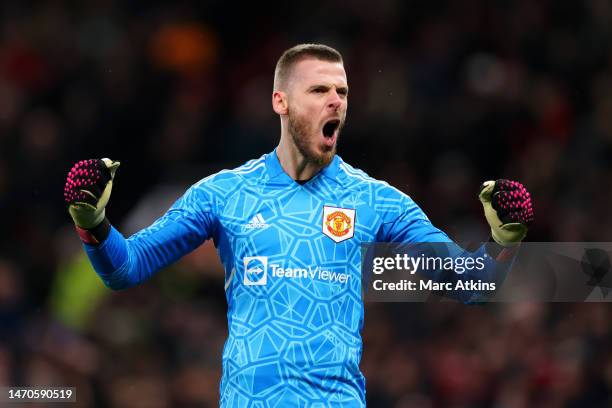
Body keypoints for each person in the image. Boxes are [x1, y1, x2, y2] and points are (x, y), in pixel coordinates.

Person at [64, 44, 533, 407]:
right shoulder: (224, 193)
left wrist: (504, 239)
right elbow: (125, 268)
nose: (335, 102)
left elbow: (476, 282)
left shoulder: (378, 201)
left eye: (342, 92)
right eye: (319, 91)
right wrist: (93, 223)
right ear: (281, 102)